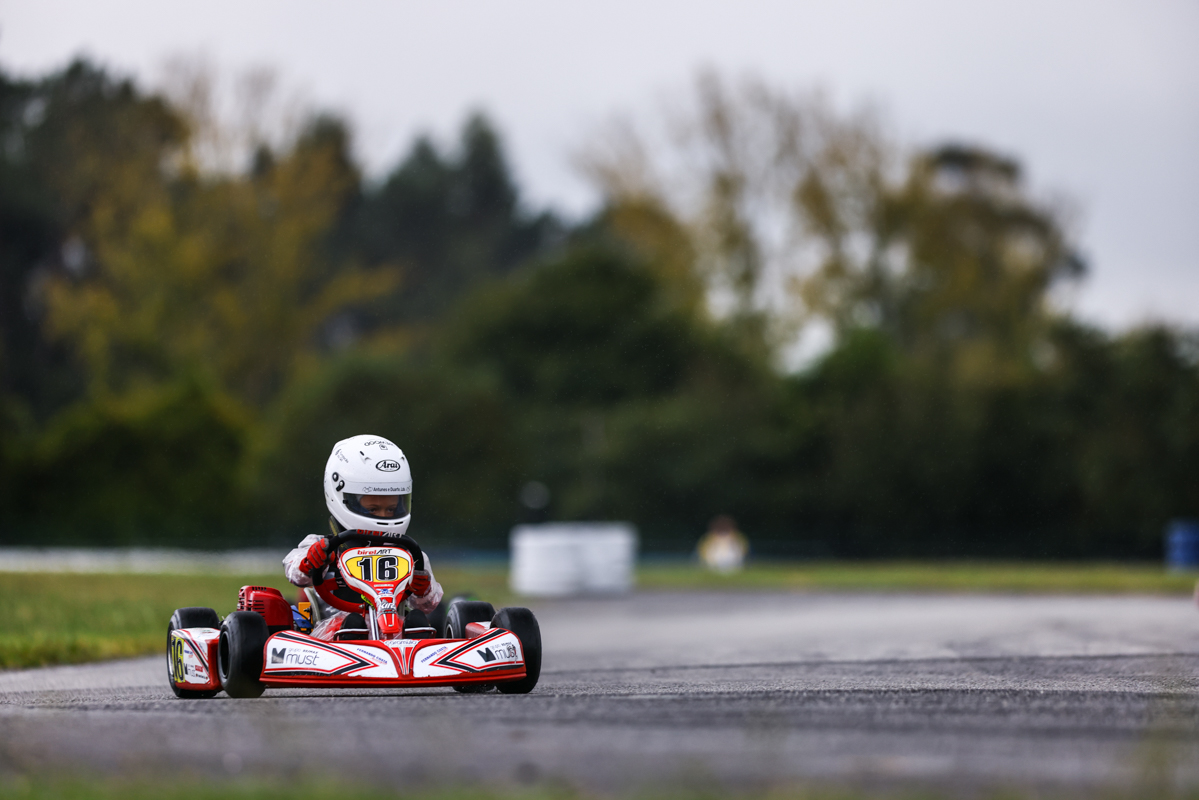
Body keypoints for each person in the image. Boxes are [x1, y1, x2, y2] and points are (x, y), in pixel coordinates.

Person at [282, 434, 444, 641]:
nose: (384, 515)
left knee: (417, 621)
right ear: (343, 497)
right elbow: (295, 572)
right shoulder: (323, 547)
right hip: (332, 638)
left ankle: (421, 657)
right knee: (352, 624)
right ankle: (355, 642)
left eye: (392, 508)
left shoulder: (411, 554)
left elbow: (428, 606)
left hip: (395, 636)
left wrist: (422, 590)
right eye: (373, 509)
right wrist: (311, 563)